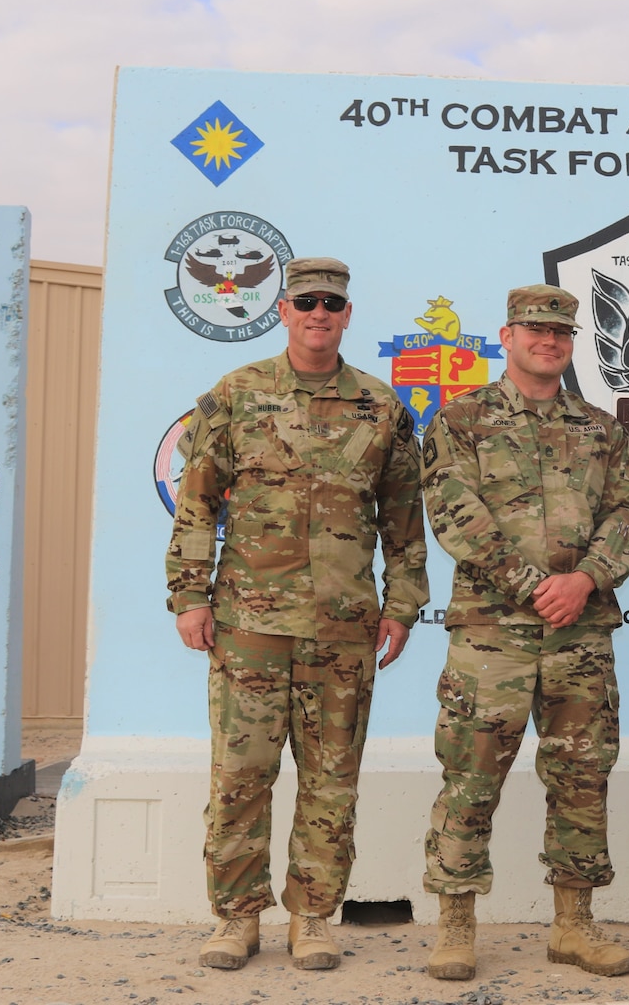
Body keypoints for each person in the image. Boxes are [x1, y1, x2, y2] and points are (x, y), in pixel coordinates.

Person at [166, 256, 429, 971]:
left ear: (347, 316)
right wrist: (189, 596)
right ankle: (236, 919)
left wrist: (402, 607)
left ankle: (312, 917)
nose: (319, 314)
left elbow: (405, 522)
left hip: (342, 632)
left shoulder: (382, 407)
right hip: (249, 627)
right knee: (240, 777)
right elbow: (196, 504)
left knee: (330, 782)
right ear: (283, 310)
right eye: (306, 302)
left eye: (332, 305)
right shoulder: (236, 395)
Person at [419, 284, 629, 981]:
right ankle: (456, 927)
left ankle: (573, 926)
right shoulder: (461, 420)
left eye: (560, 332)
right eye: (535, 329)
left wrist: (586, 580)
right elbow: (454, 512)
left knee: (581, 777)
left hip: (580, 634)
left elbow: (626, 514)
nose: (549, 340)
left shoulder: (602, 429)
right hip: (493, 637)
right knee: (471, 775)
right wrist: (530, 585)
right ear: (507, 335)